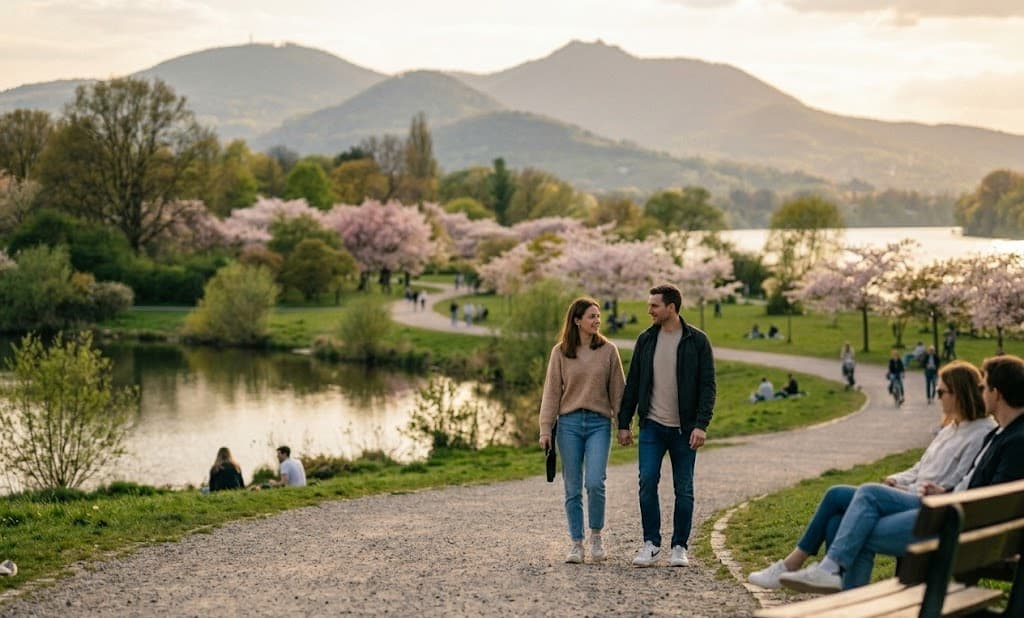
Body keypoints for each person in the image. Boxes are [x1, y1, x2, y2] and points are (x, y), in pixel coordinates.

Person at [772, 355, 1024, 593]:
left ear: (997, 394)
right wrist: (945, 492)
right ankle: (836, 582)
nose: (981, 393)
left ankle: (837, 582)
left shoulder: (1013, 439)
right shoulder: (1001, 433)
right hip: (949, 511)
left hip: (953, 525)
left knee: (859, 515)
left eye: (985, 386)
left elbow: (985, 497)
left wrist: (944, 498)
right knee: (844, 521)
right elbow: (976, 486)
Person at [618, 284, 716, 568]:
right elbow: (634, 382)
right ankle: (651, 544)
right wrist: (624, 422)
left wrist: (701, 424)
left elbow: (708, 386)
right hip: (652, 426)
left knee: (683, 488)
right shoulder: (646, 339)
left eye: (654, 306)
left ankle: (679, 546)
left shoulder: (697, 341)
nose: (649, 310)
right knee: (647, 482)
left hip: (685, 430)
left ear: (671, 308)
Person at [539, 297, 625, 564]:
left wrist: (623, 426)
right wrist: (545, 429)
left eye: (598, 316)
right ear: (577, 320)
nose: (597, 321)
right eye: (591, 316)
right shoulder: (560, 352)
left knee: (595, 482)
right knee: (573, 486)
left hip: (599, 423)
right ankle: (576, 543)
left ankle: (596, 537)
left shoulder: (609, 350)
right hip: (569, 425)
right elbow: (551, 392)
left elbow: (618, 392)